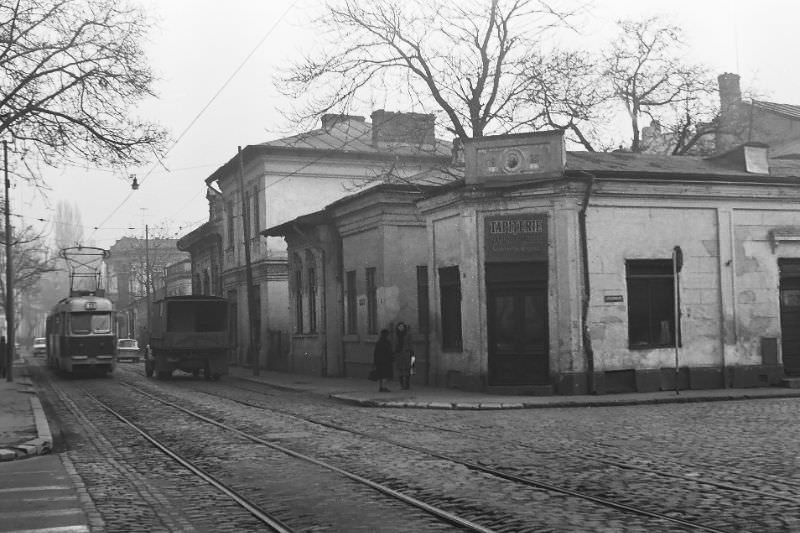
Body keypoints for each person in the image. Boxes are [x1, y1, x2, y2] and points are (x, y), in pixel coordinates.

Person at [395, 322, 415, 390]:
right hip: (399, 354)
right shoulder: (396, 335)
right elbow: (394, 344)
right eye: (399, 327)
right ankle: (401, 385)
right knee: (400, 370)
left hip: (406, 353)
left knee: (407, 369)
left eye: (402, 327)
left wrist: (411, 351)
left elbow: (410, 343)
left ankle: (407, 385)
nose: (401, 328)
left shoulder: (408, 335)